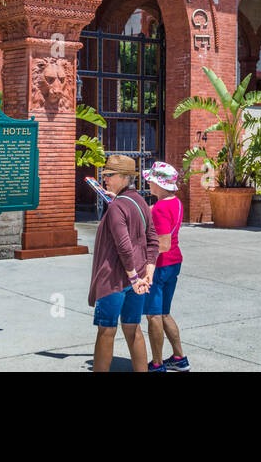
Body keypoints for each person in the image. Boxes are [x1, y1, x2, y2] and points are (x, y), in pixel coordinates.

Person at [89, 154, 158, 372]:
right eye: (104, 173)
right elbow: (152, 240)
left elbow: (124, 246)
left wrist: (135, 277)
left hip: (114, 281)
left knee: (106, 331)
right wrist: (148, 272)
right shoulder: (140, 202)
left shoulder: (117, 207)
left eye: (109, 174)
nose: (104, 177)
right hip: (135, 280)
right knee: (133, 329)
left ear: (124, 177)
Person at [142, 161, 190, 372]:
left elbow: (163, 243)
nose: (148, 183)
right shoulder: (175, 202)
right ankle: (179, 358)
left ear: (159, 184)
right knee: (163, 313)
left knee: (153, 315)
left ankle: (157, 364)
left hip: (160, 266)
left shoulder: (160, 208)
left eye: (151, 180)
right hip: (174, 262)